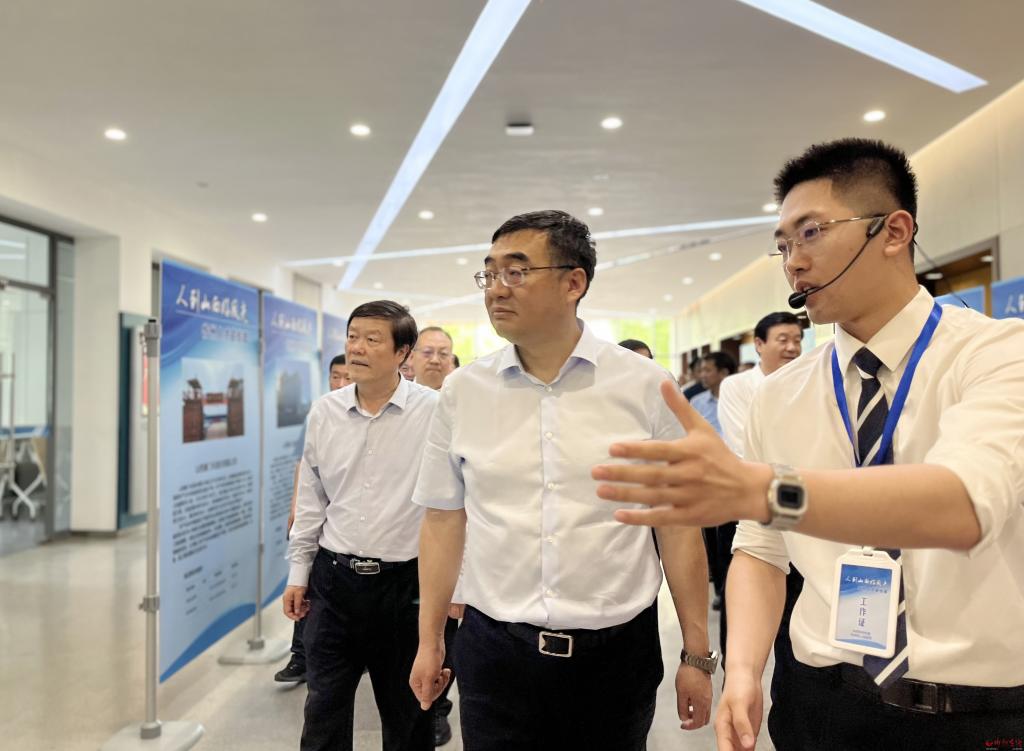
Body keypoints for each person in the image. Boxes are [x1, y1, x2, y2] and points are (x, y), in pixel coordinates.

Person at [591, 138, 1024, 750]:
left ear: (894, 231)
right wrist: (744, 669)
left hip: (976, 713)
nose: (793, 262)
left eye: (811, 233)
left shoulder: (999, 354)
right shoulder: (779, 394)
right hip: (821, 701)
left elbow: (964, 506)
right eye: (782, 246)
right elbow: (761, 549)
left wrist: (765, 490)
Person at [409, 210, 713, 751]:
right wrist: (430, 641)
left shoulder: (647, 387)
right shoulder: (463, 392)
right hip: (496, 653)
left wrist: (696, 654)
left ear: (574, 283)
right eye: (489, 273)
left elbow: (677, 526)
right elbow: (442, 519)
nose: (496, 288)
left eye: (516, 271)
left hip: (615, 656)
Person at [283, 301, 439, 751]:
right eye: (353, 337)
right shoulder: (325, 412)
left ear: (402, 353)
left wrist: (457, 586)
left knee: (409, 717)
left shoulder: (434, 411)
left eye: (372, 339)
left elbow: (455, 504)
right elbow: (312, 499)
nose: (357, 348)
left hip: (406, 587)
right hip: (334, 583)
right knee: (323, 713)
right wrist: (298, 573)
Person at [714, 313, 802, 665]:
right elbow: (745, 450)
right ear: (760, 344)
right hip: (745, 505)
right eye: (783, 339)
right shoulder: (737, 387)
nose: (792, 347)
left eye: (797, 339)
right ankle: (735, 667)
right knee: (741, 590)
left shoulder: (810, 382)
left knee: (794, 597)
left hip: (799, 507)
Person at [275, 354, 352, 684]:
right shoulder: (322, 412)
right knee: (306, 584)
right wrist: (296, 506)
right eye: (335, 376)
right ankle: (300, 655)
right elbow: (305, 465)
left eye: (346, 376)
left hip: (350, 529)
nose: (340, 383)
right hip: (320, 520)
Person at [409, 325, 460, 747]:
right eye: (428, 351)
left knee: (449, 635)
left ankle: (438, 708)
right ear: (410, 358)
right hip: (404, 545)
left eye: (444, 353)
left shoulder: (464, 406)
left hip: (448, 544)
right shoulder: (400, 407)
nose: (436, 359)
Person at [690, 351, 737, 616]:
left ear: (723, 372)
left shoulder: (739, 396)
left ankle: (731, 588)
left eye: (708, 370)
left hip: (734, 477)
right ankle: (719, 589)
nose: (703, 375)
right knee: (712, 538)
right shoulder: (697, 402)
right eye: (702, 370)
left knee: (729, 537)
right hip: (706, 478)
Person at [410, 327, 455, 391]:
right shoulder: (399, 393)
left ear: (451, 361)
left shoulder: (461, 395)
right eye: (427, 352)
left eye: (443, 353)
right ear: (412, 357)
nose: (435, 360)